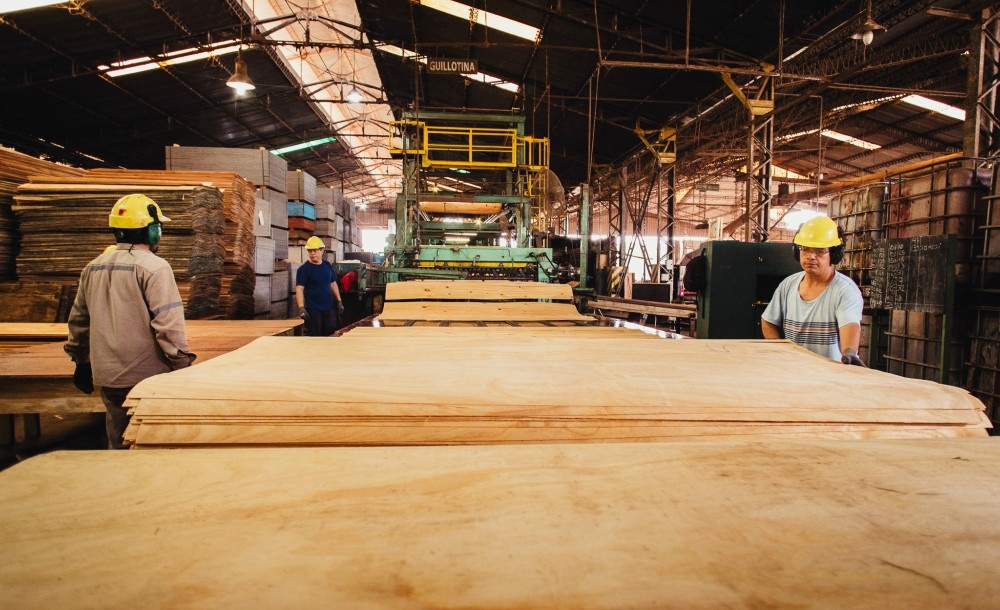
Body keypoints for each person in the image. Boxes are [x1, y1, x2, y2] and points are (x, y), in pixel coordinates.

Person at [65, 194, 196, 449]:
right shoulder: (155, 268)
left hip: (107, 375)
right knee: (150, 442)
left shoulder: (92, 267)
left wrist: (81, 362)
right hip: (147, 377)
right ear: (151, 231)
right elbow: (168, 325)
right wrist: (183, 366)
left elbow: (79, 320)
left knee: (119, 437)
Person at [761, 216, 865, 366]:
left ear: (835, 254)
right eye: (805, 249)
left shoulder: (845, 290)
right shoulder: (788, 285)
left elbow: (850, 325)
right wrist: (779, 351)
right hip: (791, 371)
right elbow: (768, 321)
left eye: (820, 251)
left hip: (827, 375)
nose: (811, 256)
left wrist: (849, 352)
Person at [295, 235, 344, 336]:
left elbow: (333, 284)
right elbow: (299, 289)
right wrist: (301, 308)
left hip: (329, 309)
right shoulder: (303, 269)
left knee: (330, 335)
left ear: (322, 251)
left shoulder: (327, 265)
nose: (312, 253)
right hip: (313, 311)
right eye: (310, 251)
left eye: (315, 250)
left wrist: (339, 301)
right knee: (314, 337)